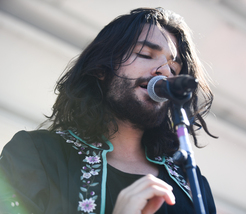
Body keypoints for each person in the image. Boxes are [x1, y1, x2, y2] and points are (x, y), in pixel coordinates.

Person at [0, 7, 217, 214]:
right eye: (145, 54)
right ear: (102, 69)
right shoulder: (36, 154)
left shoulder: (193, 183)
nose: (164, 71)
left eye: (174, 68)